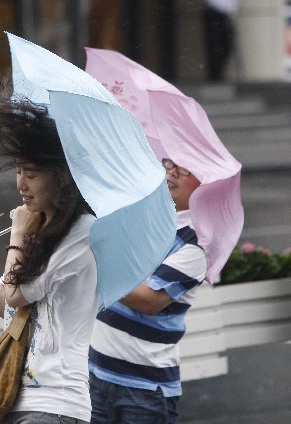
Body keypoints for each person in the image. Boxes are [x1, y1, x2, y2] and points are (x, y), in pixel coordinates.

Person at [0, 94, 98, 424]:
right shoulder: (44, 228)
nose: (21, 184)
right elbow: (11, 307)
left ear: (62, 177)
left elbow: (17, 292)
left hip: (55, 403)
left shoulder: (84, 233)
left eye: (33, 174)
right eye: (18, 171)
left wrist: (18, 234)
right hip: (15, 396)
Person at [88, 157, 208, 424]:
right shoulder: (142, 217)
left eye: (185, 167)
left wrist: (97, 259)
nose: (173, 172)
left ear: (205, 182)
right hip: (96, 373)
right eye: (170, 163)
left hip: (143, 390)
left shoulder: (196, 243)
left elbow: (148, 301)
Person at [203, 0, 238, 81]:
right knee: (216, 46)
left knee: (225, 47)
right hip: (215, 13)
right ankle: (215, 75)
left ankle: (217, 73)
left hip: (224, 15)